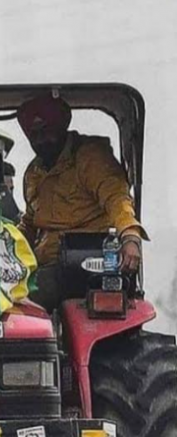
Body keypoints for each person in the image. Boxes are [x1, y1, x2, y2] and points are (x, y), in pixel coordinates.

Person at [16, 94, 147, 310]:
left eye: (46, 132)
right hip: (43, 264)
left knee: (20, 298)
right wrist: (4, 247)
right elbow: (30, 223)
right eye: (34, 135)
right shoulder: (34, 172)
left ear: (61, 127)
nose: (41, 141)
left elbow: (117, 198)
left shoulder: (90, 157)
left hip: (84, 264)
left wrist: (130, 236)